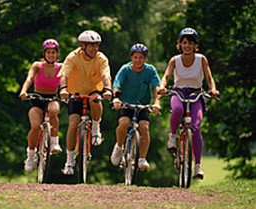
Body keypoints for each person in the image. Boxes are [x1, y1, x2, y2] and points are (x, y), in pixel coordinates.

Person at [158, 28, 220, 179]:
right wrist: (162, 87)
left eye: (190, 43)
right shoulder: (175, 60)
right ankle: (173, 136)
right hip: (178, 92)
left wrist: (213, 89)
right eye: (184, 43)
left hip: (196, 94)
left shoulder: (201, 59)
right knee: (177, 110)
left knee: (196, 126)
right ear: (180, 44)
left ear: (195, 46)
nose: (187, 46)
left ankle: (197, 166)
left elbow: (209, 77)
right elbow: (166, 76)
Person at [58, 30, 112, 175]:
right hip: (75, 93)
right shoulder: (73, 57)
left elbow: (106, 75)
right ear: (83, 46)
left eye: (97, 46)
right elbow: (64, 74)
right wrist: (63, 89)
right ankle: (69, 161)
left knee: (96, 100)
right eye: (92, 46)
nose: (95, 49)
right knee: (73, 124)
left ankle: (95, 128)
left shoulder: (101, 59)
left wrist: (108, 90)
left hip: (93, 90)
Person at [110, 43, 161, 171]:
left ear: (145, 59)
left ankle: (142, 158)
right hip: (126, 104)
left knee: (144, 127)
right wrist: (116, 98)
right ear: (131, 58)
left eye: (141, 58)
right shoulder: (125, 69)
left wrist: (157, 102)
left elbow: (156, 87)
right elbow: (117, 84)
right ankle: (119, 146)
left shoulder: (150, 70)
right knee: (124, 123)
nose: (138, 60)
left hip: (142, 105)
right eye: (135, 57)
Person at [19, 38, 63, 172]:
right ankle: (31, 156)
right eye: (48, 52)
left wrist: (65, 92)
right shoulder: (37, 66)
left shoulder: (61, 67)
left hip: (52, 97)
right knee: (35, 126)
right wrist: (24, 91)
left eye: (53, 52)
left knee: (53, 111)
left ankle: (55, 143)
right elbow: (29, 78)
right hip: (37, 98)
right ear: (44, 54)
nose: (51, 55)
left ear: (57, 54)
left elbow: (64, 82)